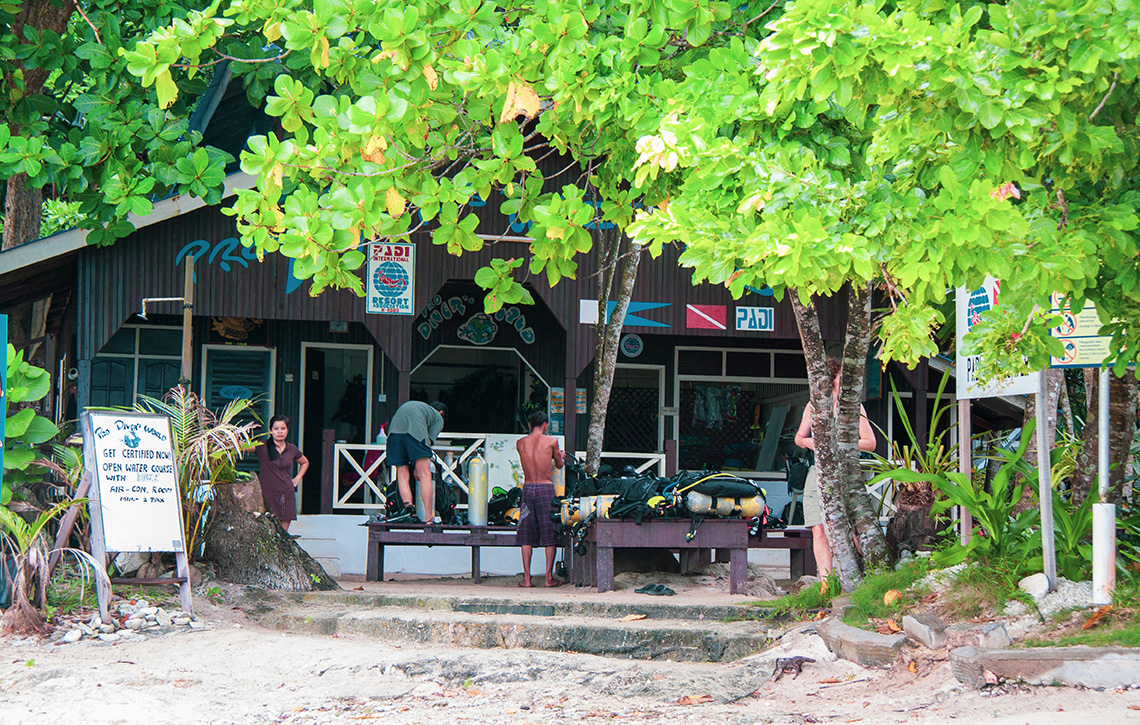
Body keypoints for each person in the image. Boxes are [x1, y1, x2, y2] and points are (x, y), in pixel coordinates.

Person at [793, 359, 876, 587]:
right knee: (817, 527)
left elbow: (870, 443)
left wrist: (841, 443)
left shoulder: (853, 406)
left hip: (845, 472)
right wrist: (810, 442)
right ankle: (826, 583)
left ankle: (863, 577)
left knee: (851, 526)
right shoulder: (814, 405)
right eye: (841, 375)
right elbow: (799, 438)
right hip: (817, 471)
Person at [515, 411, 565, 587]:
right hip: (545, 489)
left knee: (526, 534)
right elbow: (559, 464)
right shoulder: (551, 441)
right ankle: (548, 578)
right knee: (549, 532)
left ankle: (527, 579)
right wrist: (561, 455)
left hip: (528, 490)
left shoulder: (520, 443)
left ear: (529, 425)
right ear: (546, 425)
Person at [387, 400, 448, 523]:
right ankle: (429, 517)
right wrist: (417, 468)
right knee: (425, 475)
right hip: (414, 433)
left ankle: (408, 510)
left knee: (402, 474)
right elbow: (427, 442)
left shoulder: (422, 409)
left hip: (393, 434)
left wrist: (415, 466)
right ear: (441, 413)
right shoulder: (438, 418)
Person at [255, 415, 310, 534]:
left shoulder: (292, 449)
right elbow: (241, 446)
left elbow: (305, 462)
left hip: (286, 492)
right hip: (268, 493)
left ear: (287, 430)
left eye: (283, 428)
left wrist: (296, 479)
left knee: (282, 533)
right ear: (271, 430)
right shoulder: (262, 446)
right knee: (268, 531)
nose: (279, 431)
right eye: (276, 428)